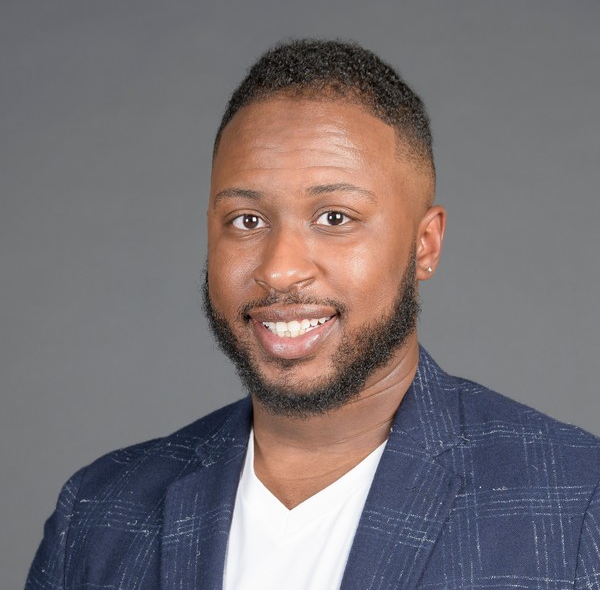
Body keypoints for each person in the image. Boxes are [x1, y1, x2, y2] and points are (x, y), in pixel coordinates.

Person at [27, 39, 600, 590]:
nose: (280, 270)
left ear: (424, 245)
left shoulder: (576, 502)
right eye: (247, 220)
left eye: (334, 218)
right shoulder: (98, 514)